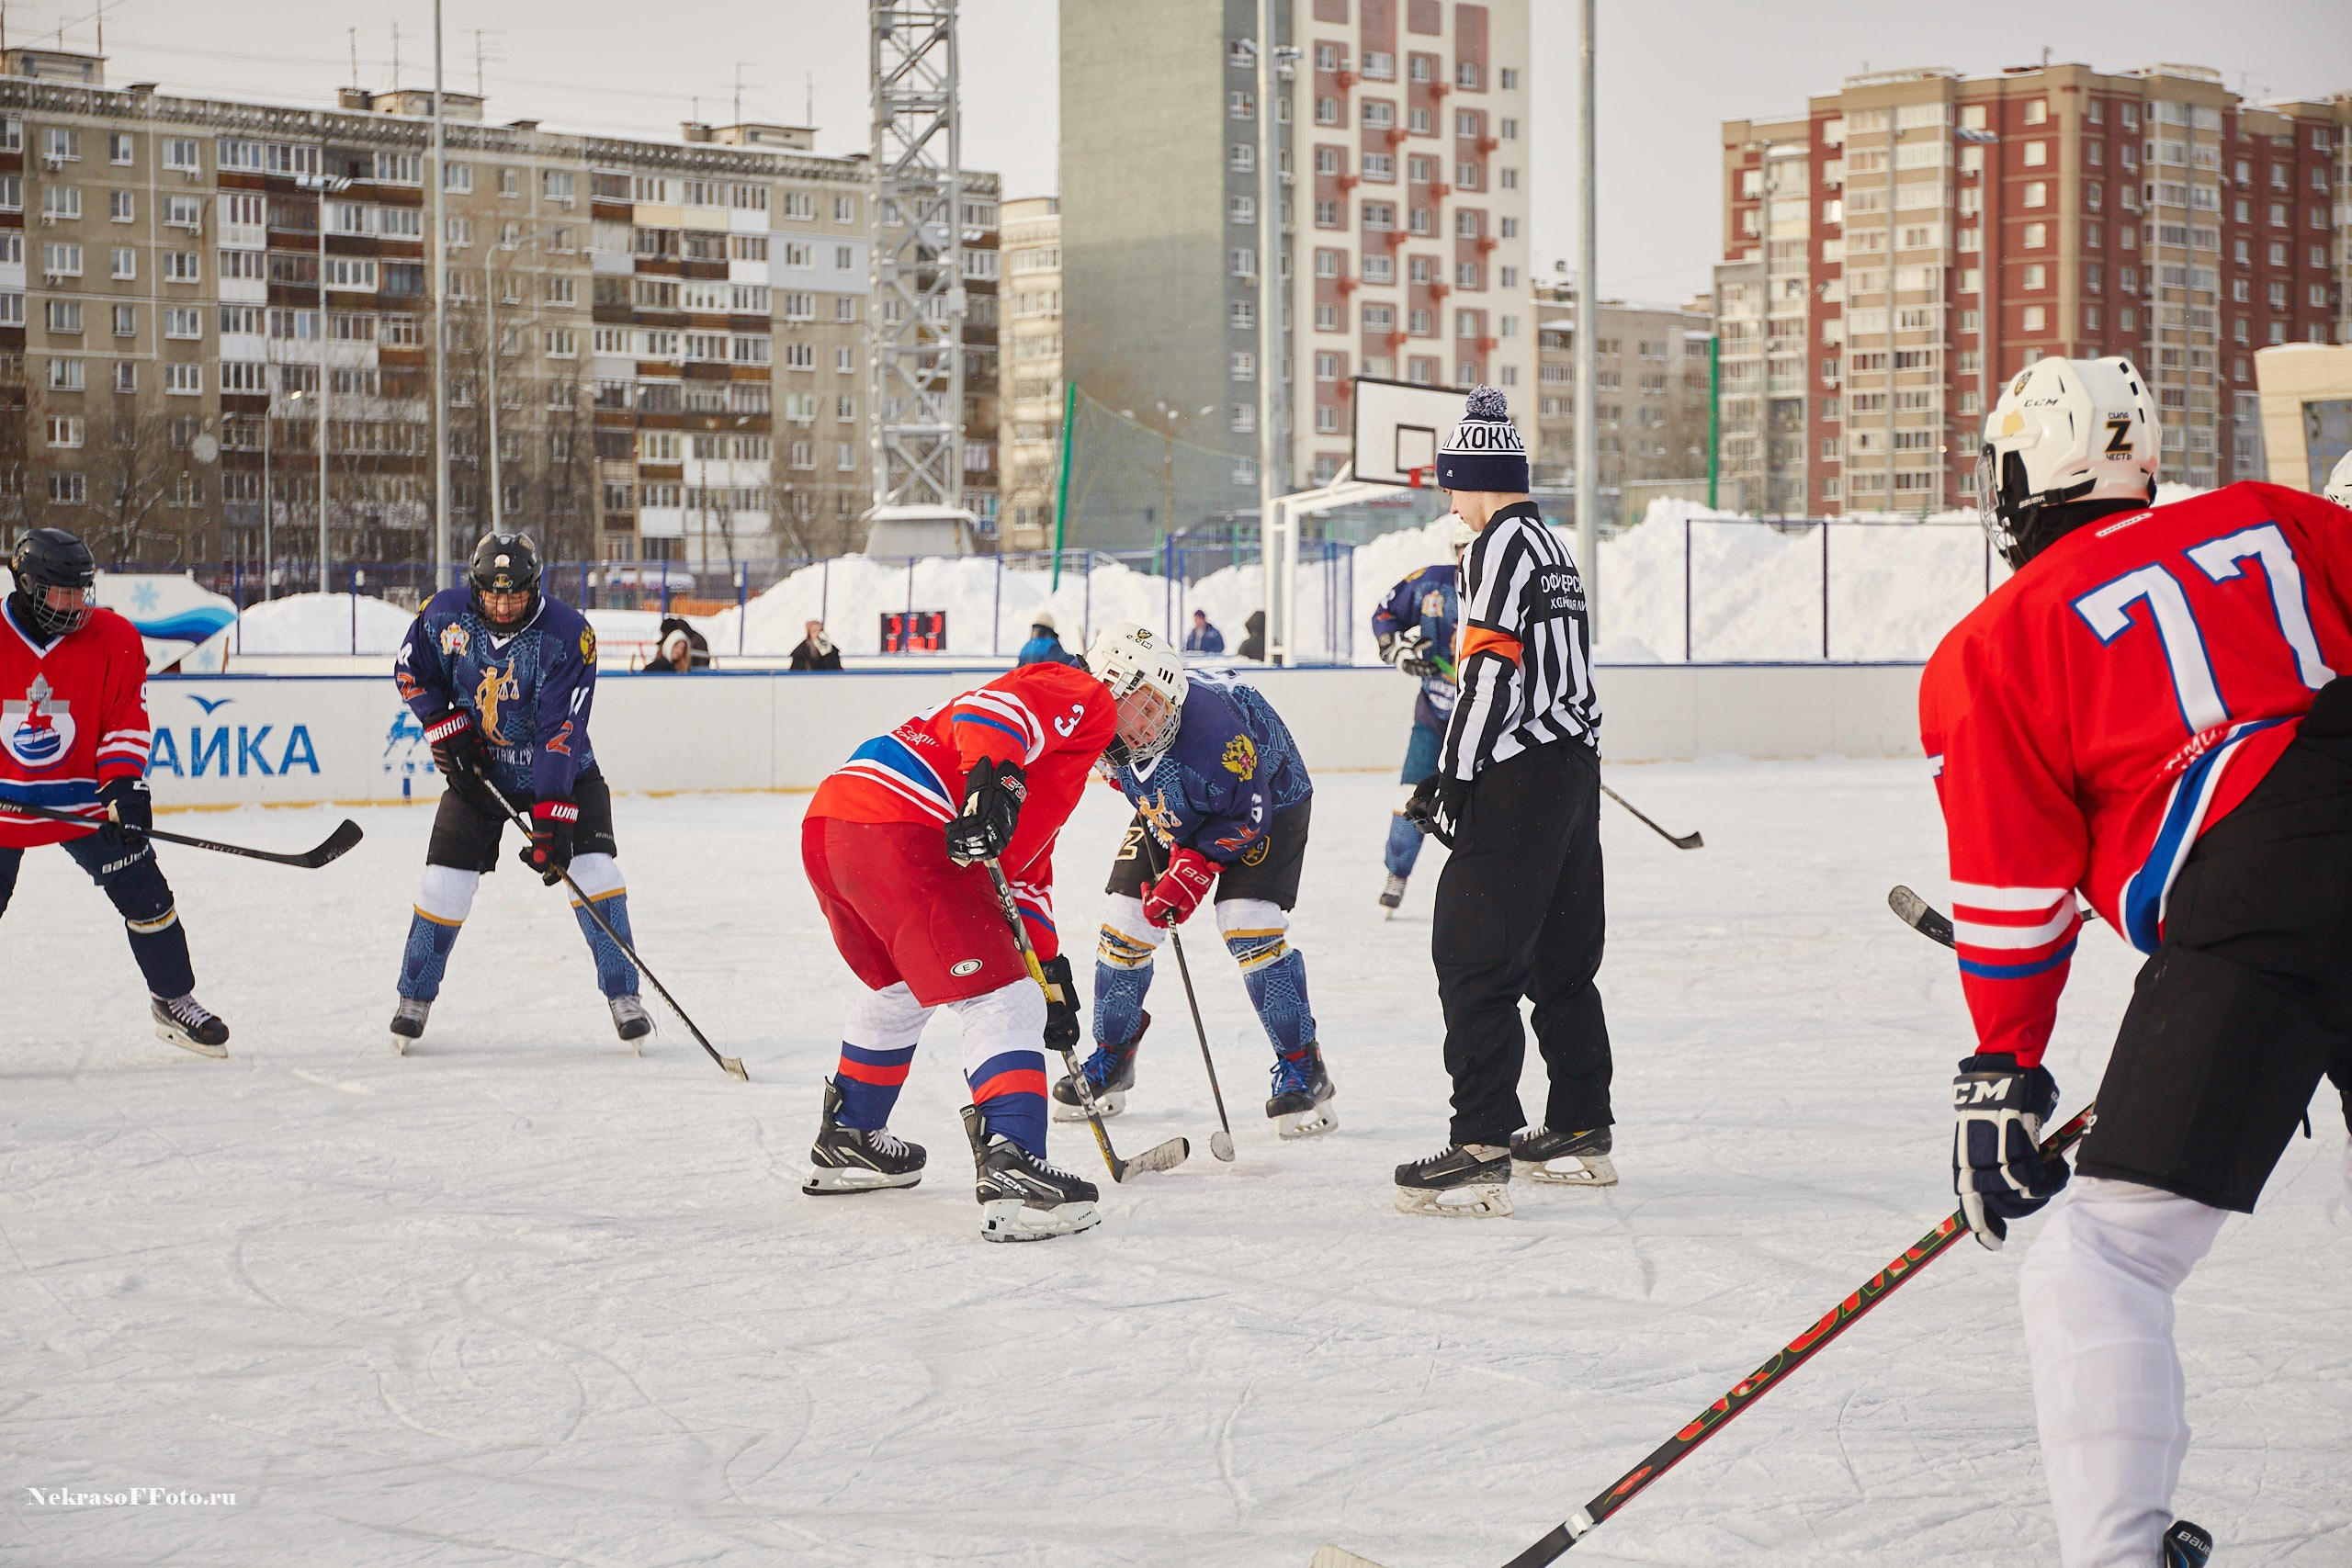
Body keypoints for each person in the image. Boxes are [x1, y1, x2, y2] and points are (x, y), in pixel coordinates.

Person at [1925, 355, 2352, 1568]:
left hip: (2256, 889)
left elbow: (2012, 883)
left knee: (2102, 1250)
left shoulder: (1995, 641)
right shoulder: (2274, 515)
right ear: (2143, 464)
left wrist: (2000, 1069)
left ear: (2013, 483)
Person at [800, 660, 1119, 1242]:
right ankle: (1014, 1164)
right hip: (903, 825)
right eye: (1145, 704)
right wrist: (989, 783)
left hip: (834, 827)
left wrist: (1048, 973)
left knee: (902, 987)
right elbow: (989, 711)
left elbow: (1019, 881)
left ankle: (850, 1136)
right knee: (1002, 999)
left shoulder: (1049, 775)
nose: (1147, 725)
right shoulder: (1085, 693)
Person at [1396, 386, 1610, 1218]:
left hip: (1515, 770)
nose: (1449, 501)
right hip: (1572, 770)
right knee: (1562, 956)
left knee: (1472, 950)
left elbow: (1488, 666)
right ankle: (1581, 1123)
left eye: (1452, 484)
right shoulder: (1553, 546)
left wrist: (1453, 770)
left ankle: (1482, 1143)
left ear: (1477, 478)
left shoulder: (1494, 549)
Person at [1054, 622, 1335, 1138]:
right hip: (1174, 802)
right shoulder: (1099, 726)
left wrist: (1193, 869)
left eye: (1150, 704)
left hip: (1267, 799)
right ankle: (1114, 1053)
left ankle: (1302, 1063)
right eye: (1126, 707)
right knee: (1124, 926)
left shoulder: (1214, 735)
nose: (1141, 722)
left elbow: (1248, 817)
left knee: (1247, 922)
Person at [389, 532, 653, 1051]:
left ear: (536, 588)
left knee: (595, 872)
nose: (503, 605)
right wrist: (444, 725)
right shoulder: (443, 615)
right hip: (479, 774)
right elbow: (409, 670)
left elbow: (559, 730)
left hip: (565, 773)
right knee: (444, 883)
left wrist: (552, 818)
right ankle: (413, 998)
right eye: (492, 594)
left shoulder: (567, 635)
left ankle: (625, 995)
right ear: (475, 587)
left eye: (514, 594)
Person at [0, 528, 229, 1056]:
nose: (77, 604)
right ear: (28, 586)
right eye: (63, 593)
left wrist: (124, 784)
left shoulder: (115, 636)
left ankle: (174, 1001)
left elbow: (125, 720)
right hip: (6, 800)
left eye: (84, 591)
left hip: (82, 799)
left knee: (147, 895)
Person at [1371, 517, 1471, 912]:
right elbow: (1385, 614)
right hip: (1433, 713)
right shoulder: (1432, 581)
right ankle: (1397, 871)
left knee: (1490, 805)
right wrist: (1397, 649)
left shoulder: (1506, 591)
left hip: (1485, 721)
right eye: (1462, 550)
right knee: (1410, 795)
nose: (1467, 559)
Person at [1015, 611, 1085, 668]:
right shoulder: (1049, 645)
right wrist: (1079, 660)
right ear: (1050, 629)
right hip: (1042, 683)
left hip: (1027, 683)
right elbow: (1065, 661)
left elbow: (1020, 669)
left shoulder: (1026, 647)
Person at [642, 615, 709, 673]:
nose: (679, 651)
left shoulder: (695, 641)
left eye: (682, 649)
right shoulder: (655, 668)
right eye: (676, 646)